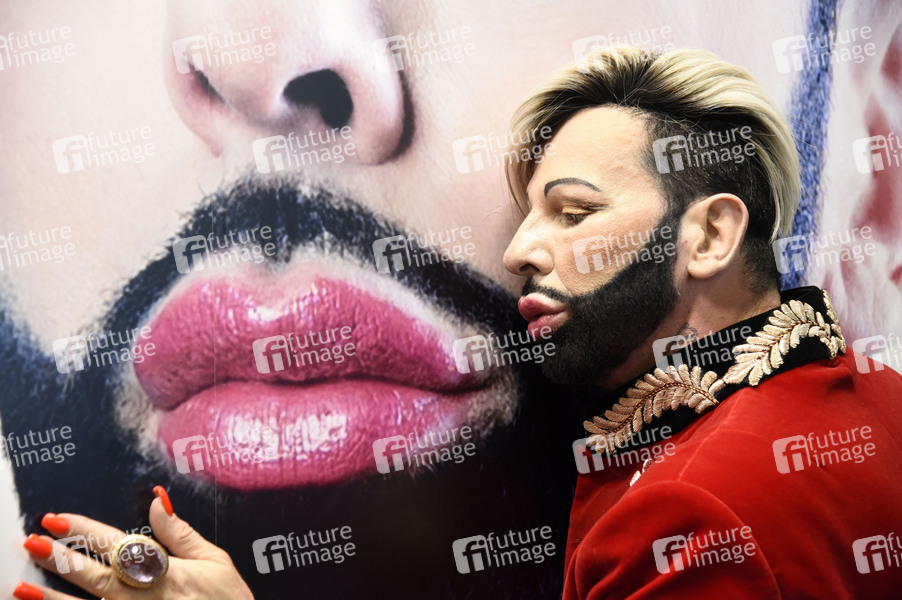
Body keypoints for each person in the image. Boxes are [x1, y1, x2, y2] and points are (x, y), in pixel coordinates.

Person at [6, 1, 901, 598]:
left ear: (879, 157)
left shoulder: (692, 518)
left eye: (572, 210)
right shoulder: (879, 413)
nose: (254, 63)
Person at [500, 46, 902, 597]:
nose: (517, 253)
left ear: (711, 236)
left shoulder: (684, 513)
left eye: (573, 213)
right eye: (527, 216)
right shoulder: (888, 394)